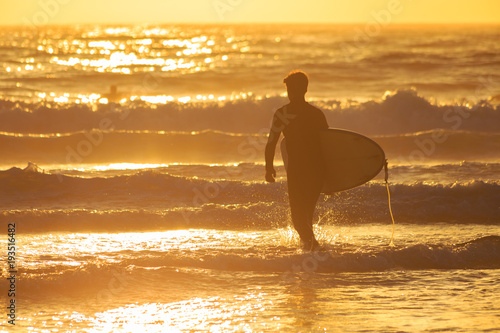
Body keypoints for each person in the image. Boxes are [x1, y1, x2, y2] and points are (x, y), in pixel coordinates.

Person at [265, 70, 328, 251]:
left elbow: (271, 143)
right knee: (305, 217)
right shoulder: (316, 114)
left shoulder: (283, 113)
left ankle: (314, 251)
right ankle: (312, 253)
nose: (289, 92)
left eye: (290, 88)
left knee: (299, 220)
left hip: (300, 172)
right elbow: (329, 146)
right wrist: (330, 177)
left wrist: (269, 168)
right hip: (315, 171)